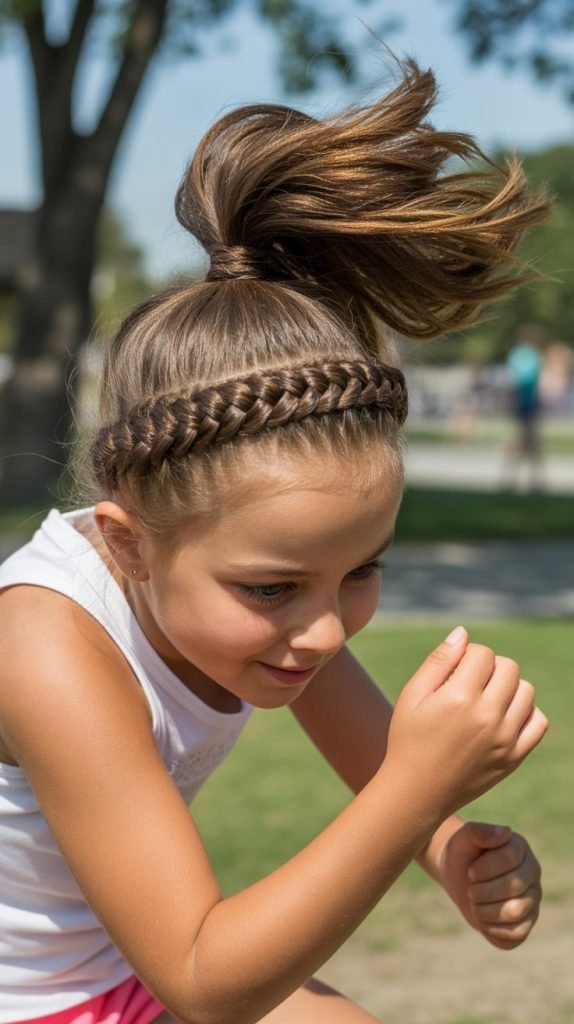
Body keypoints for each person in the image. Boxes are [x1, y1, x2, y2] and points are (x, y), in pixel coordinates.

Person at [0, 56, 549, 1024]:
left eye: (362, 571)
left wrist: (452, 843)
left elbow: (372, 752)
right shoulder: (43, 645)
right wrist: (415, 795)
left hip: (124, 972)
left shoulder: (276, 611)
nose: (327, 630)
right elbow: (206, 979)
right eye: (273, 587)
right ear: (128, 545)